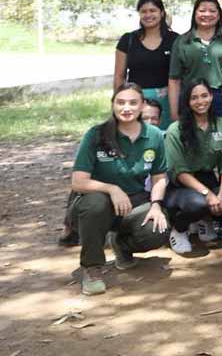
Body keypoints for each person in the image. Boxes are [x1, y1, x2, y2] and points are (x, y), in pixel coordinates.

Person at [68, 84, 170, 295]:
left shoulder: (154, 136)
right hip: (92, 205)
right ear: (113, 105)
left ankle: (122, 246)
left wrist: (156, 206)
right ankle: (92, 268)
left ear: (142, 106)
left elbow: (159, 177)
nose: (126, 108)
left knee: (157, 228)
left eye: (133, 103)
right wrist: (112, 188)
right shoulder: (96, 135)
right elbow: (78, 181)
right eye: (120, 102)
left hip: (133, 203)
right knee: (96, 203)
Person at [163, 80, 222, 254]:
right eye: (194, 98)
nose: (200, 101)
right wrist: (208, 195)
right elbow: (179, 172)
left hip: (209, 178)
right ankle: (179, 229)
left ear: (211, 96)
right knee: (198, 203)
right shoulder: (175, 130)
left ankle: (204, 222)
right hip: (182, 186)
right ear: (186, 101)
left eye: (204, 95)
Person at [168, 0, 222, 125]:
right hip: (192, 99)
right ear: (195, 14)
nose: (207, 14)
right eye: (202, 10)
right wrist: (174, 113)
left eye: (212, 11)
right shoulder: (182, 41)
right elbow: (174, 80)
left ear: (219, 15)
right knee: (193, 142)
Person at [115, 0, 179, 127]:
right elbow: (119, 75)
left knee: (163, 141)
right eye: (143, 11)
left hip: (167, 102)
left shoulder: (175, 40)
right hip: (136, 101)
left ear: (161, 13)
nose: (148, 15)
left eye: (152, 10)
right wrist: (118, 103)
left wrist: (176, 110)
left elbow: (179, 77)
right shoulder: (128, 40)